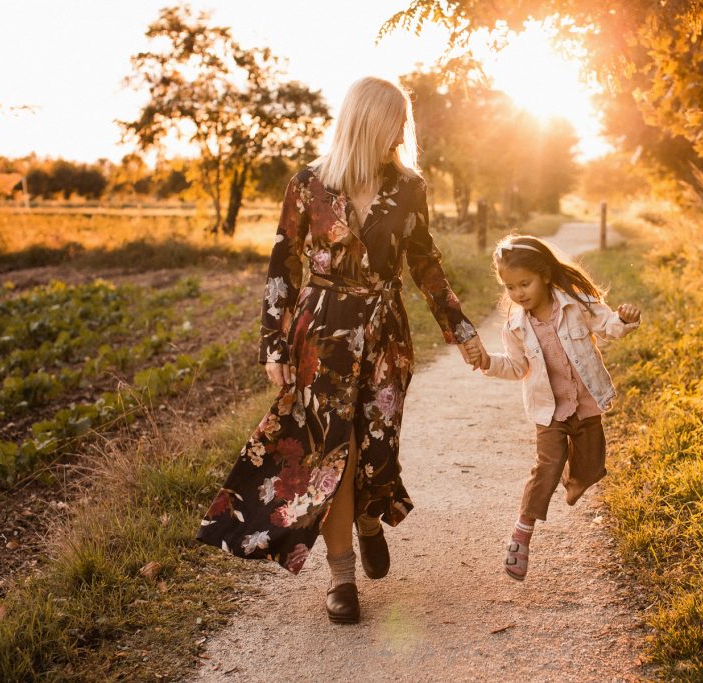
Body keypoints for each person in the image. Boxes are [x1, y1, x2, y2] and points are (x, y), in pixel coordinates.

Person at [195, 76, 487, 624]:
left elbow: (425, 264)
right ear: (369, 121)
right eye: (396, 120)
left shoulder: (408, 187)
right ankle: (342, 578)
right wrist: (272, 344)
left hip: (384, 335)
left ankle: (371, 520)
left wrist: (461, 329)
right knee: (334, 453)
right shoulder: (309, 184)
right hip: (320, 335)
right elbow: (283, 263)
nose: (403, 131)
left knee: (376, 449)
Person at [465, 235, 641, 581]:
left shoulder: (577, 304)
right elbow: (517, 368)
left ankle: (570, 475)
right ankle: (521, 533)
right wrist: (486, 361)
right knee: (545, 466)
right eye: (510, 287)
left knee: (590, 470)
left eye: (525, 283)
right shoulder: (515, 327)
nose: (518, 294)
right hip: (549, 412)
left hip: (586, 404)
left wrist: (625, 318)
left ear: (544, 275)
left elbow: (608, 327)